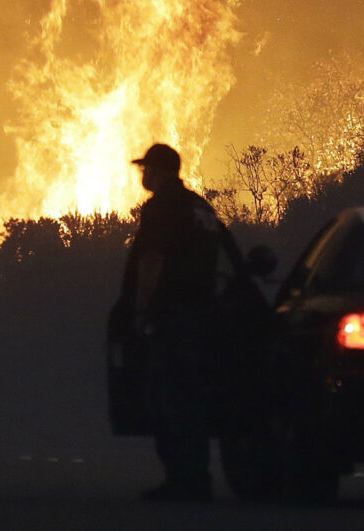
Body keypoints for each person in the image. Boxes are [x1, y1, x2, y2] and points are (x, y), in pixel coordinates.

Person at [120, 143, 222, 502]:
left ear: (159, 172)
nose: (142, 174)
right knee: (191, 396)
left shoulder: (162, 207)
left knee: (172, 398)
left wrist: (140, 310)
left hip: (172, 317)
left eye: (146, 168)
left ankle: (185, 479)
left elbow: (152, 260)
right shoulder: (201, 207)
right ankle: (195, 477)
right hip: (203, 316)